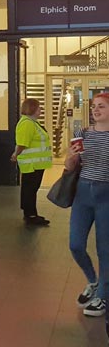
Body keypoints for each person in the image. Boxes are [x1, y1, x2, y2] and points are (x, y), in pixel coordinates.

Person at [66, 92, 109, 319]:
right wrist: (70, 156)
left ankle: (102, 295)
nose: (96, 110)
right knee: (75, 244)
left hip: (106, 194)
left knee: (105, 249)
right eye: (94, 106)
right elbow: (70, 165)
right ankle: (93, 281)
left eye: (101, 106)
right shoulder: (81, 133)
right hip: (83, 192)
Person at [11, 98, 52, 227]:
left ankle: (30, 213)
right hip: (32, 164)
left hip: (36, 163)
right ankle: (31, 215)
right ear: (32, 108)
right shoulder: (27, 123)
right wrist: (15, 155)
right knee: (30, 189)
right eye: (39, 107)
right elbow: (23, 143)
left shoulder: (33, 122)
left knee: (31, 189)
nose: (40, 110)